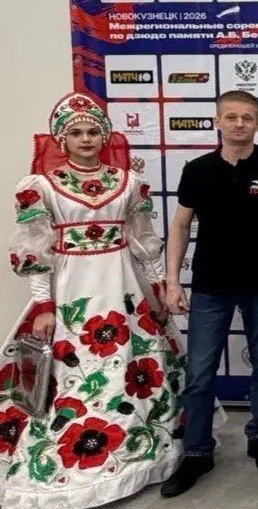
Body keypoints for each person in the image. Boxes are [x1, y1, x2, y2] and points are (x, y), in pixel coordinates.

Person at [1, 92, 183, 507]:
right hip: (71, 289)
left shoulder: (129, 183)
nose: (86, 139)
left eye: (93, 132)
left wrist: (158, 287)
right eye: (77, 133)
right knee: (70, 372)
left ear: (105, 137)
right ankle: (75, 465)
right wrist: (43, 305)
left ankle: (139, 457)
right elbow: (36, 251)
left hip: (123, 287)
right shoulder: (40, 187)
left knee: (134, 365)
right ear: (61, 140)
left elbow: (143, 241)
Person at [160, 90, 258, 497]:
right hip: (210, 287)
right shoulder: (198, 169)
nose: (239, 124)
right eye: (231, 117)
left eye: (247, 117)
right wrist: (172, 281)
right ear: (217, 121)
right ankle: (197, 452)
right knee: (199, 375)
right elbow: (180, 225)